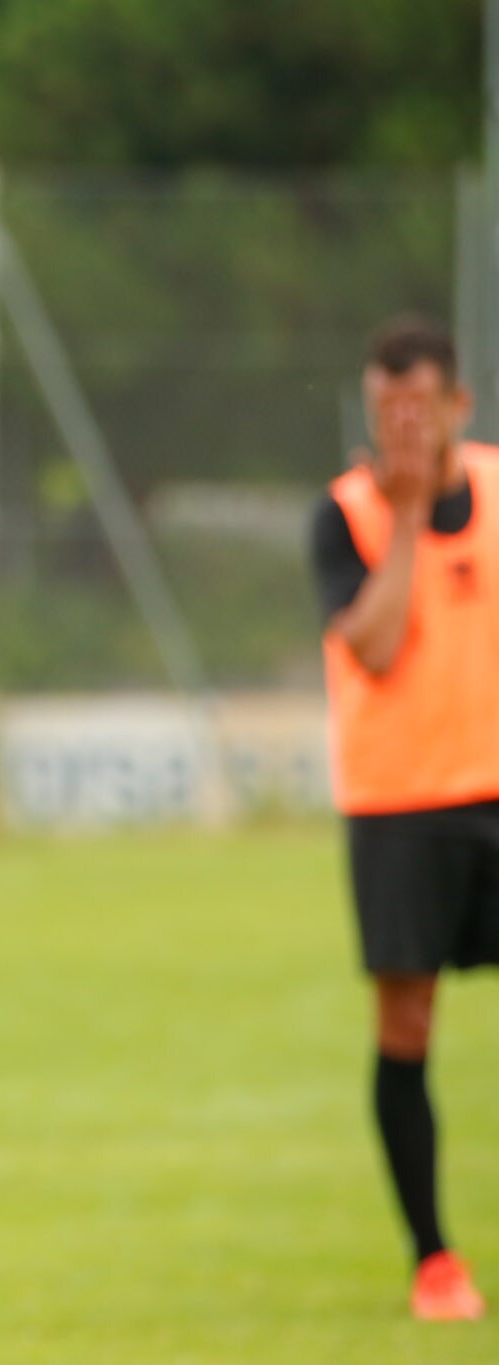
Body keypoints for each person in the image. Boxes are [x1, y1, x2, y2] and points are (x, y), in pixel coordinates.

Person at [311, 314, 499, 1321]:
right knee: (406, 1023)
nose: (401, 427)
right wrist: (411, 518)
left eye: (418, 407)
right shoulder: (346, 513)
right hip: (397, 806)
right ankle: (433, 1261)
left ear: (456, 407)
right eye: (385, 410)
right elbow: (375, 648)